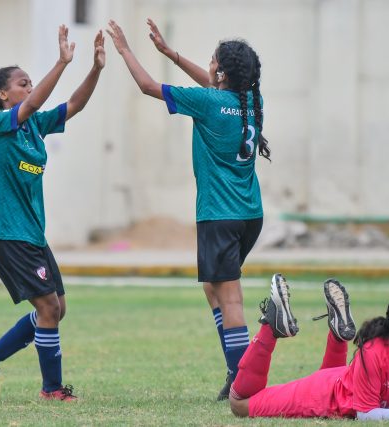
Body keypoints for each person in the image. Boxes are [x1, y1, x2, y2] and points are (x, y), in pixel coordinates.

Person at [106, 19, 273, 400]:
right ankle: (237, 372)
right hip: (249, 214)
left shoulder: (211, 102)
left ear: (222, 72)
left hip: (219, 214)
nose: (208, 66)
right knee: (213, 288)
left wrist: (125, 50)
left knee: (228, 296)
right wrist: (171, 54)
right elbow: (213, 89)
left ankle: (242, 382)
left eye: (212, 62)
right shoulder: (251, 102)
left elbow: (148, 87)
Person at [0, 25, 105, 402]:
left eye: (29, 83)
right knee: (47, 307)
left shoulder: (32, 128)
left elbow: (73, 105)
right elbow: (35, 103)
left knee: (57, 308)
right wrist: (61, 62)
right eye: (23, 83)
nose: (29, 87)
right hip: (8, 234)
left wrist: (95, 70)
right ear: (2, 95)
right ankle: (51, 390)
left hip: (32, 234)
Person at [228, 275, 389, 421]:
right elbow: (364, 414)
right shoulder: (374, 352)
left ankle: (337, 335)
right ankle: (271, 325)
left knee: (340, 381)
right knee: (239, 404)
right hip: (323, 394)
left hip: (343, 379)